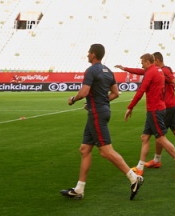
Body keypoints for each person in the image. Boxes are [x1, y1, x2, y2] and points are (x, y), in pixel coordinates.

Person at [60, 44, 144, 201]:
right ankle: (79, 189)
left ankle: (134, 178)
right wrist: (98, 101)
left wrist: (73, 99)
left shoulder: (91, 70)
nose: (87, 55)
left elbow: (84, 92)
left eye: (88, 53)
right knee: (85, 149)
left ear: (93, 54)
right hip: (101, 111)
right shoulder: (108, 71)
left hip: (97, 113)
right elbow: (116, 93)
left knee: (106, 151)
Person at [121, 53, 175, 179]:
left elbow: (141, 90)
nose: (142, 65)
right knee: (145, 137)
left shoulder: (151, 72)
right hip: (158, 107)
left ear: (147, 62)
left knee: (160, 138)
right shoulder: (158, 70)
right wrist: (125, 68)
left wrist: (130, 107)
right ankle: (140, 167)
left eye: (142, 63)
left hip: (154, 109)